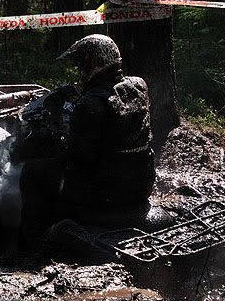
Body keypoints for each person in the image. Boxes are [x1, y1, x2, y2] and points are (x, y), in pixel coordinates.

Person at [19, 34, 155, 245]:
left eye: (81, 66)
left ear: (92, 64)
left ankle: (34, 241)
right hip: (141, 182)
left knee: (33, 171)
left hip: (107, 191)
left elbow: (78, 161)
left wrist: (54, 134)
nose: (80, 72)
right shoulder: (138, 86)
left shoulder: (90, 104)